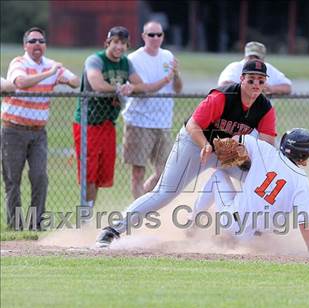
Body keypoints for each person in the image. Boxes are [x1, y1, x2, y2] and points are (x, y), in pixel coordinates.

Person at [96, 59, 278, 247]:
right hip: (194, 143)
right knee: (165, 192)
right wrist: (206, 145)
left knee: (258, 179)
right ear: (242, 79)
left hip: (226, 152)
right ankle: (112, 231)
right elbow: (193, 125)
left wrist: (247, 156)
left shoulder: (265, 109)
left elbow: (266, 147)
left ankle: (252, 229)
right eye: (251, 79)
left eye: (260, 80)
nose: (256, 84)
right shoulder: (223, 97)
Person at [73, 26, 164, 214]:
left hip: (108, 123)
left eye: (123, 43)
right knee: (89, 173)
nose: (119, 47)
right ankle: (85, 216)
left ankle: (88, 213)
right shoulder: (96, 60)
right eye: (115, 42)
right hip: (88, 123)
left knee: (100, 174)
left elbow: (140, 85)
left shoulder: (125, 64)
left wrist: (130, 88)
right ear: (108, 43)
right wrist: (120, 88)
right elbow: (96, 83)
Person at [1, 27, 79, 230]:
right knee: (12, 179)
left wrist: (67, 80)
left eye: (41, 41)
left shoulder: (52, 65)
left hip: (38, 132)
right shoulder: (19, 63)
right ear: (25, 45)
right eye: (33, 41)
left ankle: (36, 223)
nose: (37, 44)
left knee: (39, 177)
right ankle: (15, 224)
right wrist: (50, 74)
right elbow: (21, 83)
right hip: (13, 129)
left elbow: (75, 80)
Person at [201, 129, 309, 252]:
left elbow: (240, 139)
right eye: (308, 152)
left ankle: (193, 222)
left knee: (218, 175)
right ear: (301, 155)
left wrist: (233, 143)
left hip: (232, 222)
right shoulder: (302, 181)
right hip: (256, 240)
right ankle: (233, 239)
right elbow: (304, 219)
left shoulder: (265, 151)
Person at [122, 21, 183, 199]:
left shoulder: (168, 56)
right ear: (143, 37)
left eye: (159, 34)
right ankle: (137, 216)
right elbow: (142, 88)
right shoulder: (133, 59)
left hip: (163, 122)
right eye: (151, 35)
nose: (155, 38)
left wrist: (176, 74)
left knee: (167, 172)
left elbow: (177, 89)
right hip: (139, 121)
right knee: (138, 173)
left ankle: (143, 203)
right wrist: (166, 79)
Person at [218, 41, 292, 96]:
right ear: (245, 57)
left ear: (263, 59)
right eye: (250, 57)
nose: (253, 60)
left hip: (263, 112)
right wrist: (247, 87)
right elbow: (223, 85)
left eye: (257, 57)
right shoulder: (235, 67)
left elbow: (288, 87)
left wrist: (270, 89)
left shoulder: (268, 68)